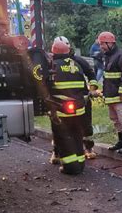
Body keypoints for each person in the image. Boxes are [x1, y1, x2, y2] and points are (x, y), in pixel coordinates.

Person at [42, 36, 98, 174]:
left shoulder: (51, 65)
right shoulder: (76, 64)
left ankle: (70, 168)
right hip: (79, 109)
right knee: (77, 136)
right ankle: (80, 163)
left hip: (61, 111)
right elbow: (84, 83)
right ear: (68, 50)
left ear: (53, 50)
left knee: (63, 138)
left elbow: (46, 87)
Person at [97, 31, 122, 154]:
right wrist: (105, 90)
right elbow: (107, 76)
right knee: (115, 119)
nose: (101, 47)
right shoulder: (108, 55)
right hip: (111, 94)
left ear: (110, 43)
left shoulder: (121, 55)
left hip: (120, 96)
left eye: (102, 44)